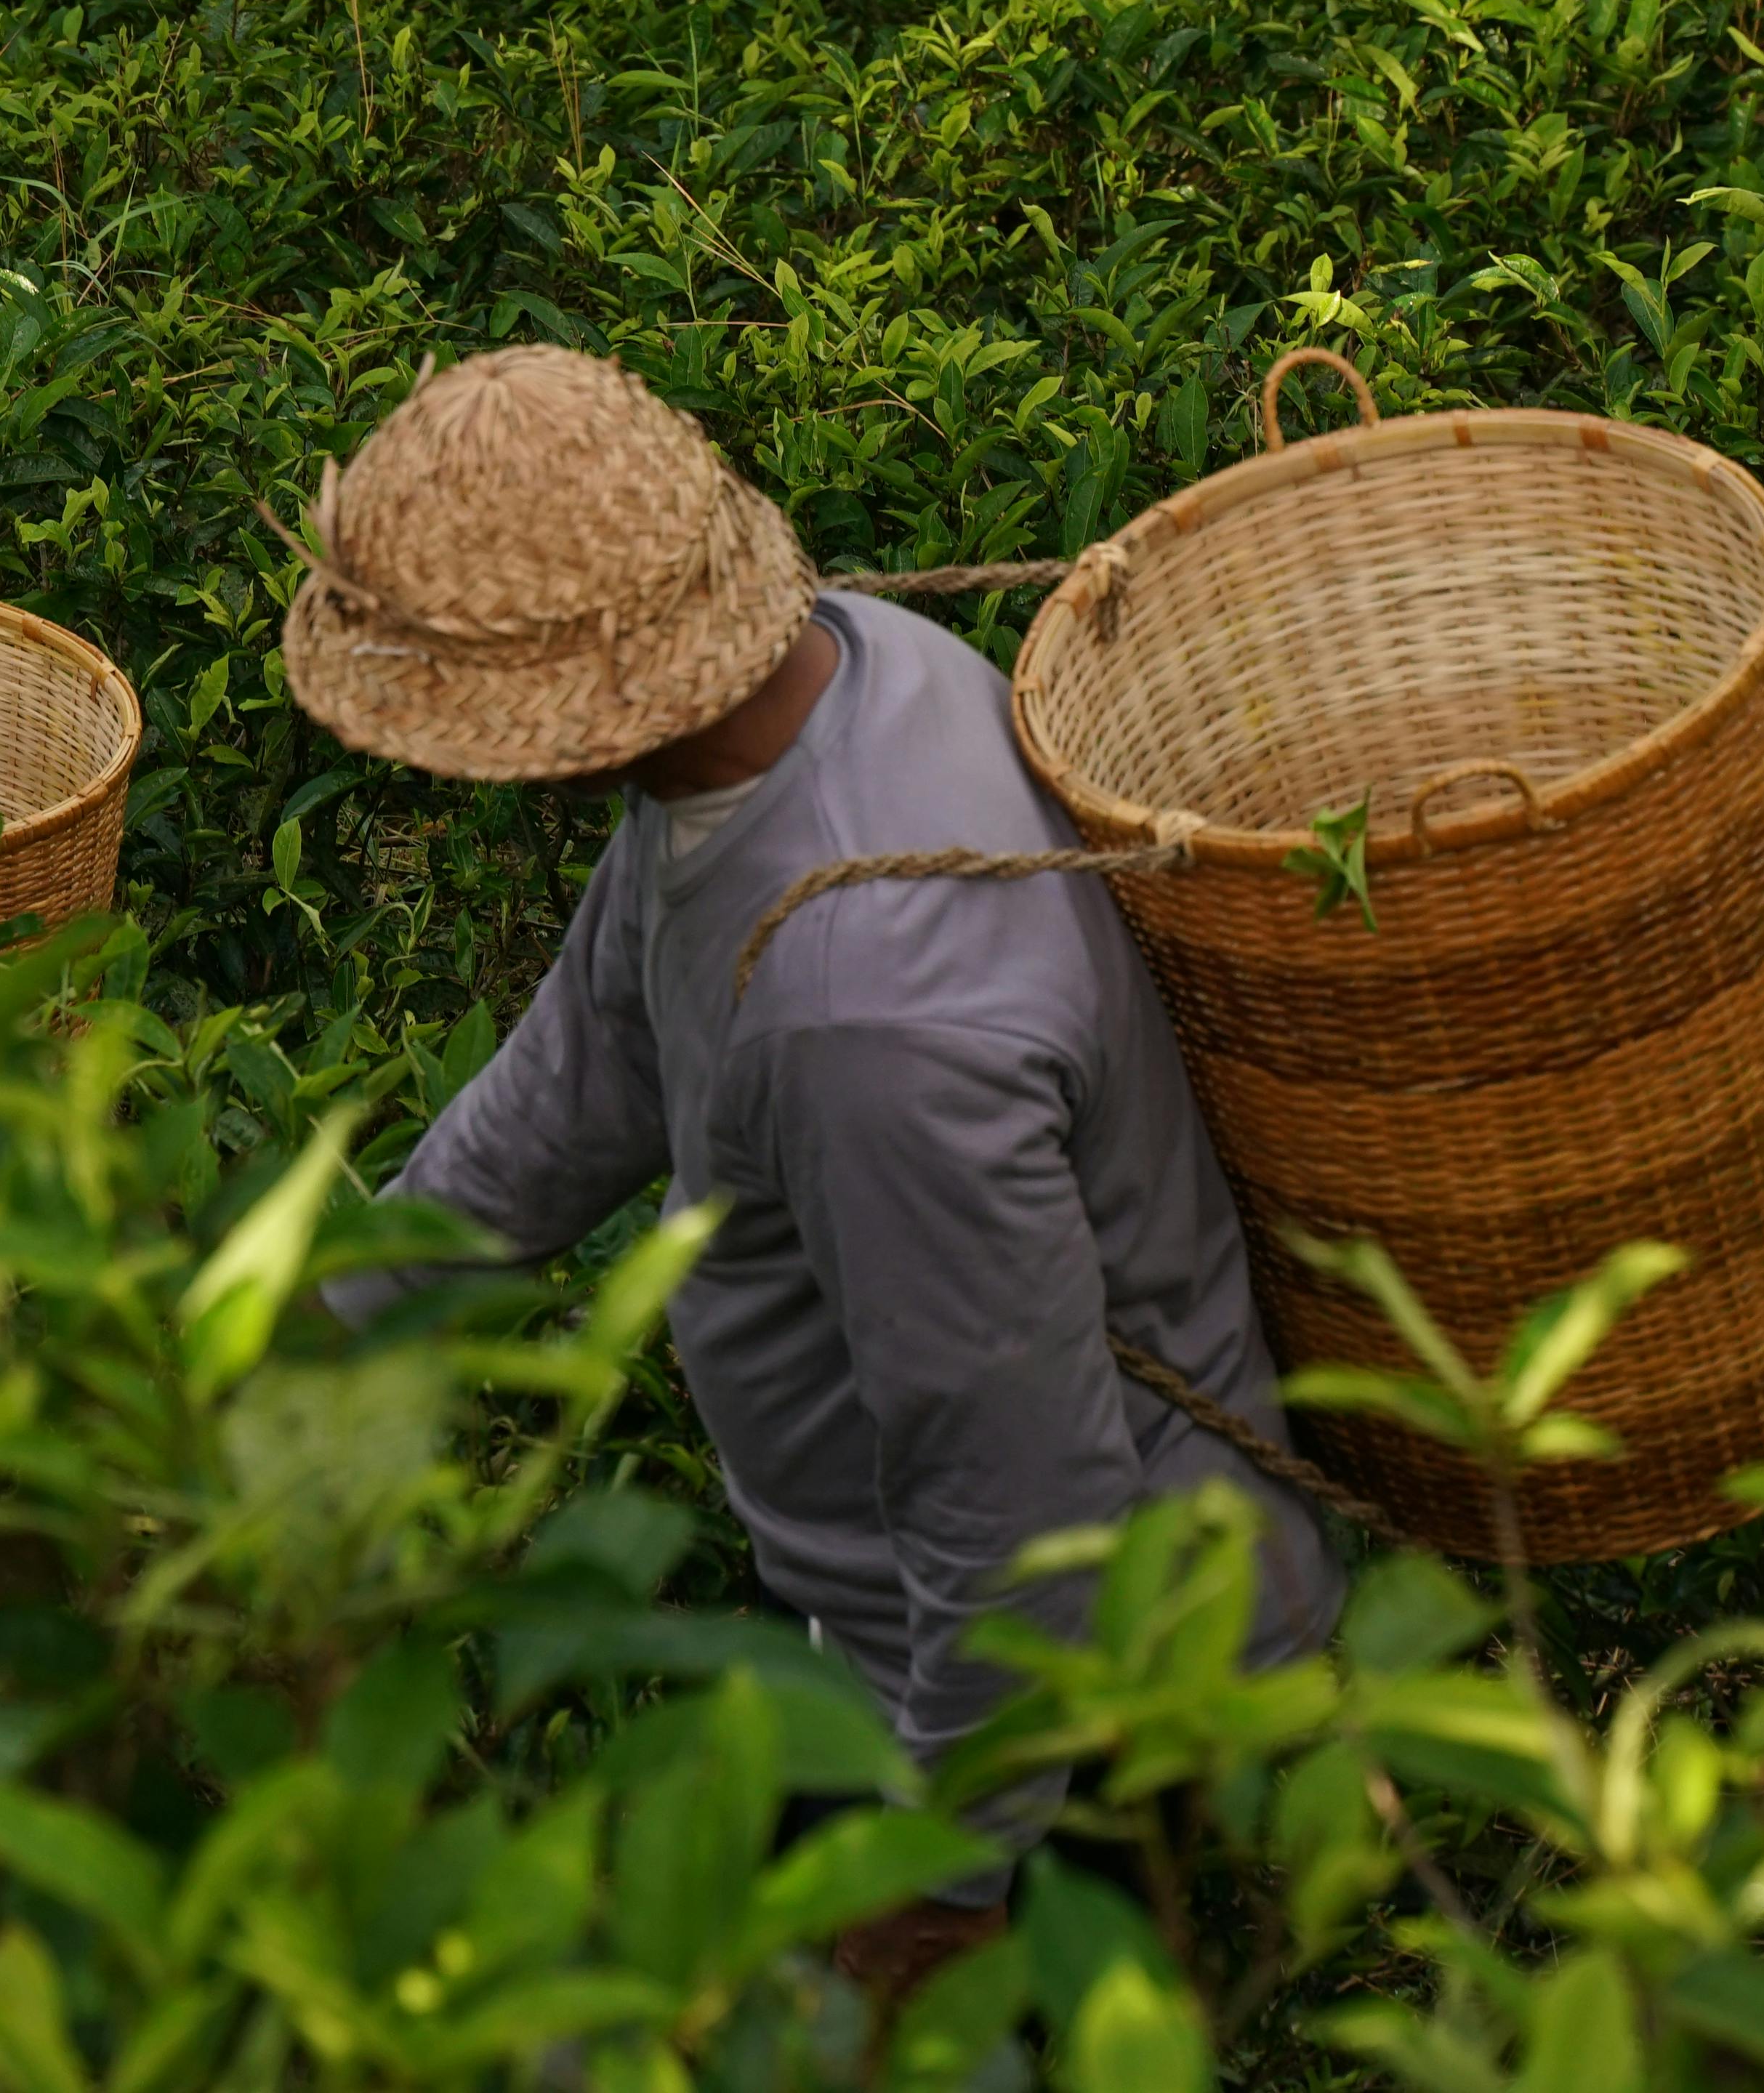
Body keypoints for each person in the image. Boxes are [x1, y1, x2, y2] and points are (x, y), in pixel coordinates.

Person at [278, 345, 1339, 2008]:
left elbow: (1025, 1499)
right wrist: (317, 1331)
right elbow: (586, 1067)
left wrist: (940, 1873)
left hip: (1070, 1702)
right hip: (926, 1629)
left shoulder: (870, 1013)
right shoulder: (832, 674)